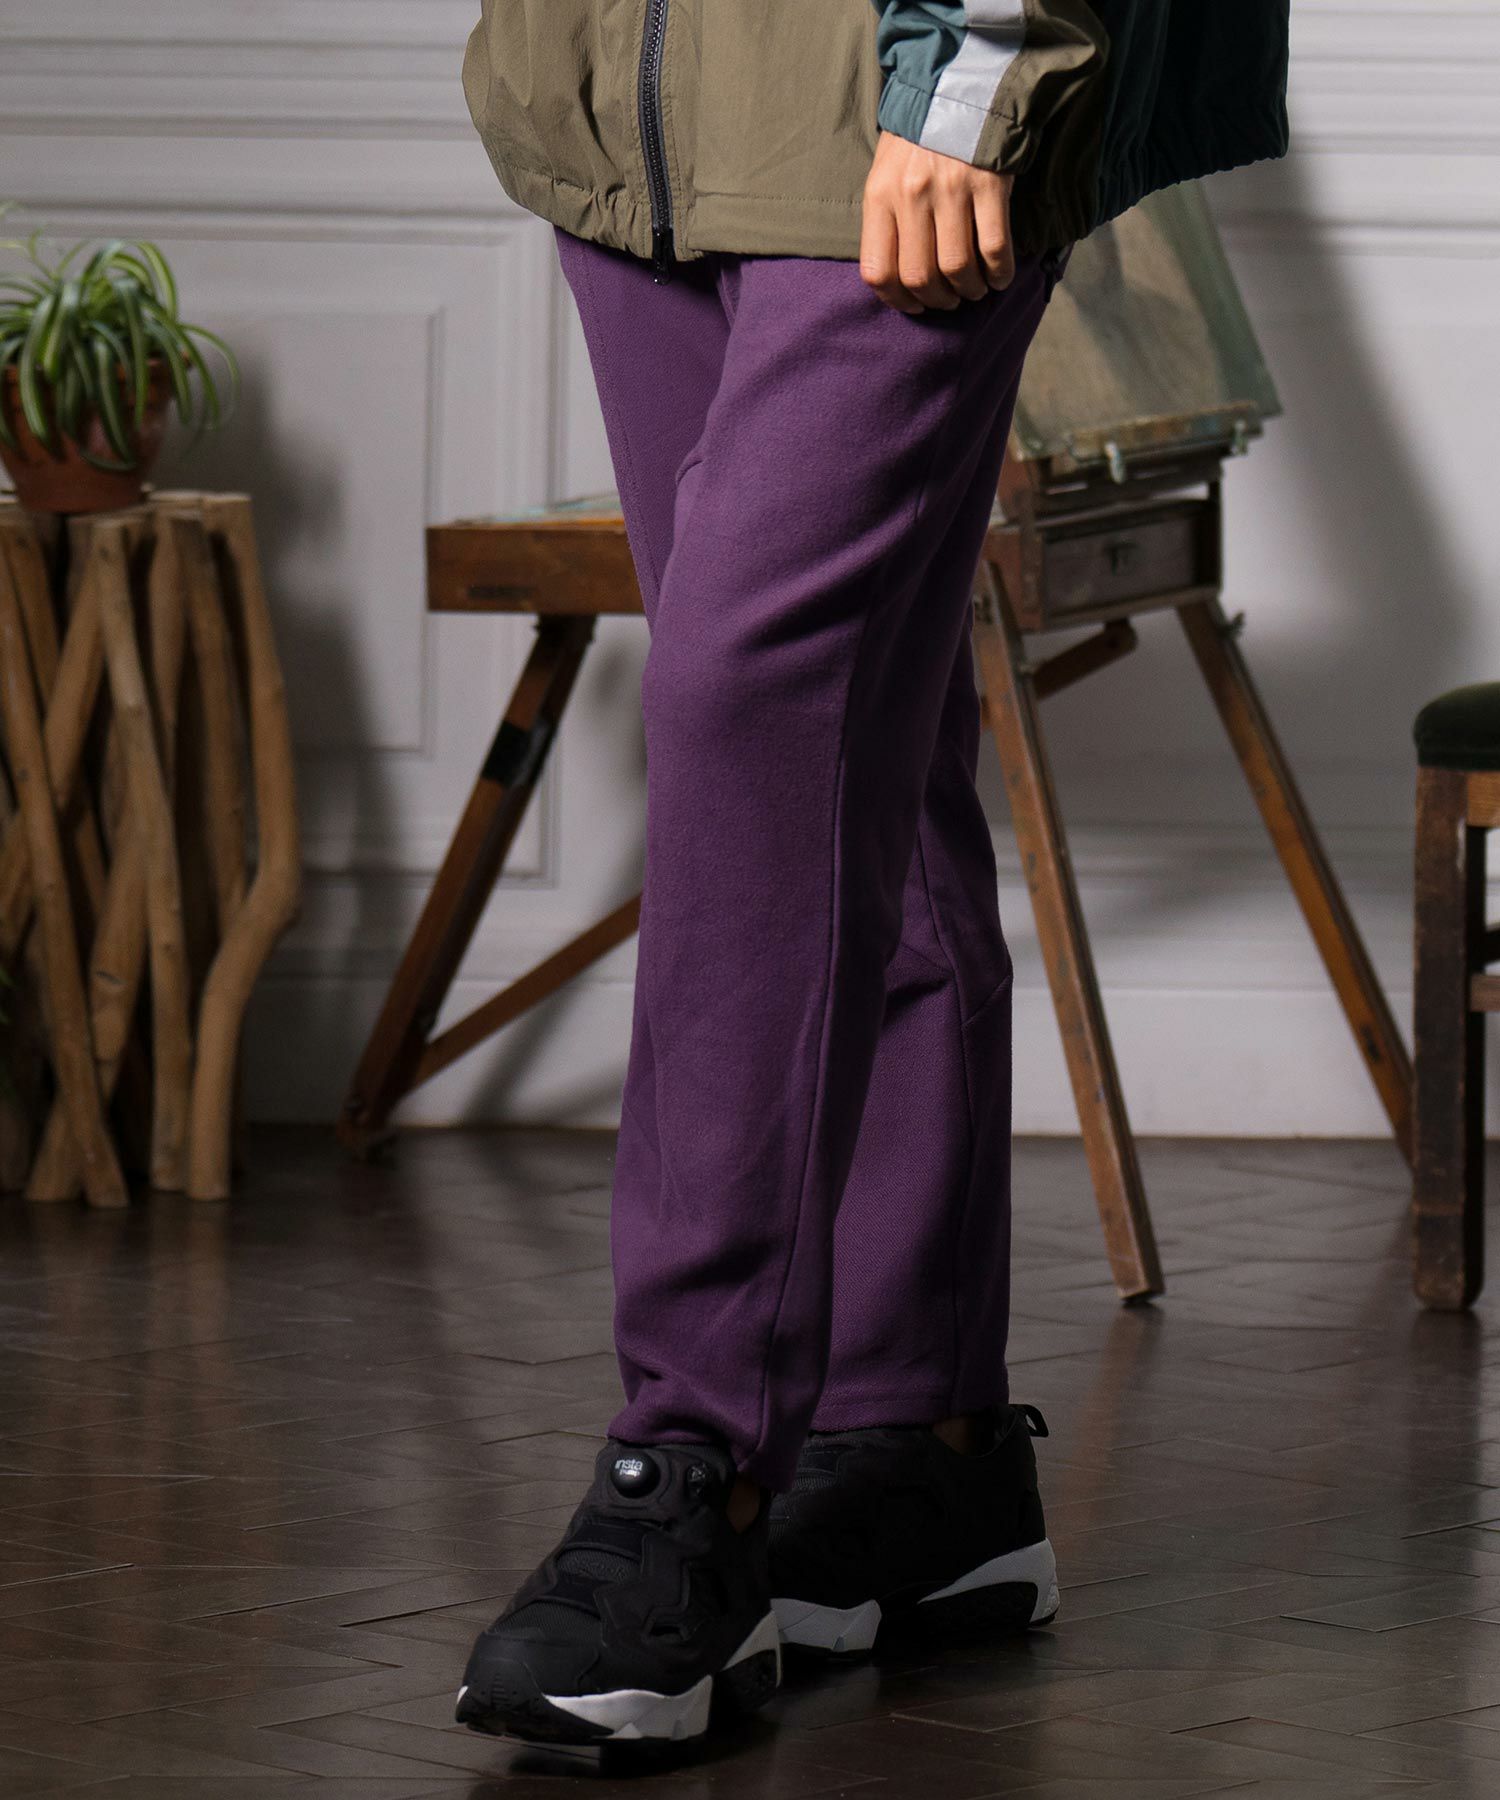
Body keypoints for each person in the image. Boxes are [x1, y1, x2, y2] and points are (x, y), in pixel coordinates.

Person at [454, 0, 1290, 1748]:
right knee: (851, 751)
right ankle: (923, 1444)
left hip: (893, 91)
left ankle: (689, 1465)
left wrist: (980, 70)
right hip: (624, 87)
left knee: (749, 710)